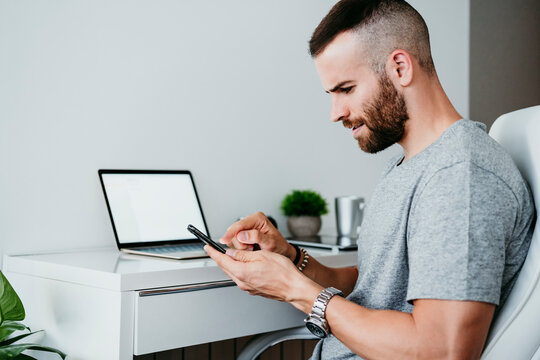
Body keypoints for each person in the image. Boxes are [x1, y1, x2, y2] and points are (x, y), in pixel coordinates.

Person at [205, 0, 536, 358]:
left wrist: (296, 290)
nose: (336, 113)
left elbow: (441, 350)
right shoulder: (410, 165)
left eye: (346, 89)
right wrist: (292, 259)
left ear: (399, 67)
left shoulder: (460, 176)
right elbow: (378, 290)